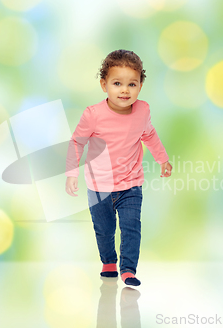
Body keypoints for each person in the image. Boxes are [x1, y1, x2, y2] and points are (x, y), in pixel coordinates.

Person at [65, 49, 172, 286]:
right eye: (117, 83)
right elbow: (77, 142)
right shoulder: (93, 115)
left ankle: (128, 270)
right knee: (104, 231)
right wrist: (72, 173)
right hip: (98, 186)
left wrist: (162, 159)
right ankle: (109, 262)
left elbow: (150, 135)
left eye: (132, 84)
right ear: (104, 85)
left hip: (130, 184)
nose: (125, 90)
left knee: (131, 227)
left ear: (140, 86)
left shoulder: (142, 110)